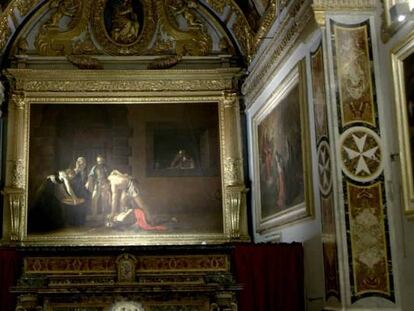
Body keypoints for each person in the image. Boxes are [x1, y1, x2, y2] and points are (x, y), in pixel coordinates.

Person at [86, 155, 111, 221]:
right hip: (97, 185)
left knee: (104, 201)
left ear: (104, 160)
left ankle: (104, 217)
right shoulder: (94, 167)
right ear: (97, 161)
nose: (100, 162)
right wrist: (89, 182)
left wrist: (108, 185)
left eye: (101, 161)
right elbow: (90, 175)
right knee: (94, 200)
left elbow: (110, 177)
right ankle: (94, 216)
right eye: (98, 161)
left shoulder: (107, 167)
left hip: (105, 185)